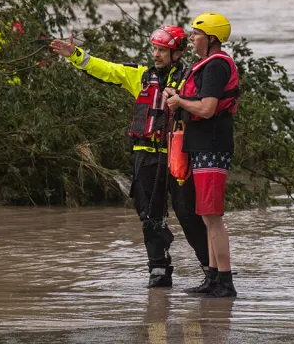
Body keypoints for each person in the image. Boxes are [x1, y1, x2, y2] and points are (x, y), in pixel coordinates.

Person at [49, 26, 210, 289]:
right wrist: (74, 55)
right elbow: (105, 69)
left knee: (188, 214)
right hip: (145, 154)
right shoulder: (140, 76)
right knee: (149, 215)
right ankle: (158, 268)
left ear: (177, 53)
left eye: (162, 50)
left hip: (178, 156)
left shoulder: (190, 79)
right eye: (155, 49)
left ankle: (210, 268)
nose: (156, 54)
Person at [163, 12, 240, 298]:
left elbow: (207, 108)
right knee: (205, 215)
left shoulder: (216, 66)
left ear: (211, 39)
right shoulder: (206, 66)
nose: (191, 39)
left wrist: (179, 100)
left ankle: (224, 281)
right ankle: (212, 278)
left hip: (212, 146)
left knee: (212, 216)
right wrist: (179, 97)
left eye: (196, 34)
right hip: (202, 146)